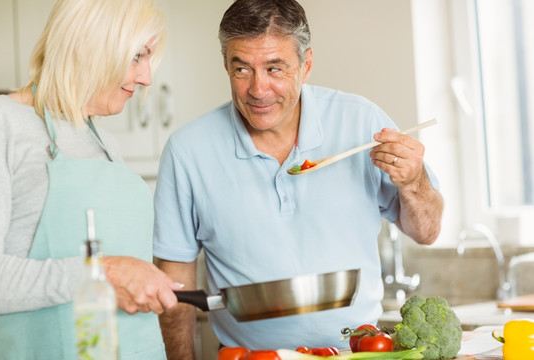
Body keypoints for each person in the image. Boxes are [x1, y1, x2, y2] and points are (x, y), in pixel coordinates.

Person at [153, 0, 444, 357]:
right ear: (225, 65)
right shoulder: (188, 150)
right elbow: (174, 284)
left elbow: (427, 231)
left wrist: (413, 181)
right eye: (242, 69)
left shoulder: (361, 123)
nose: (258, 90)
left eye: (275, 69)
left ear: (306, 65)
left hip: (358, 351)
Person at [0, 0, 182, 358]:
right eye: (137, 57)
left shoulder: (107, 144)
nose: (147, 78)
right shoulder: (1, 124)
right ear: (89, 45)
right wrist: (102, 274)